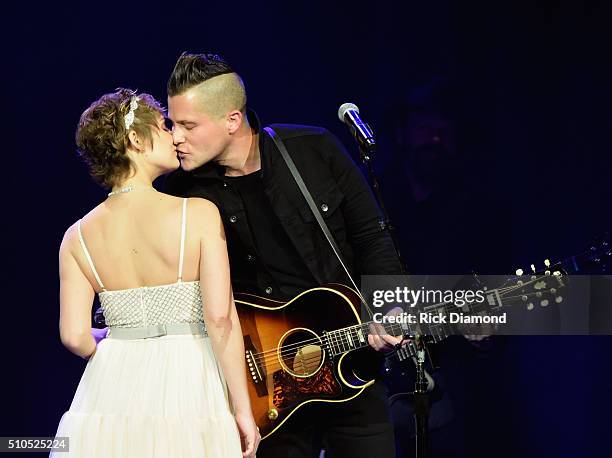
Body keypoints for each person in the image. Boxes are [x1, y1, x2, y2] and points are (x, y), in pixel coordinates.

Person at [163, 52, 404, 458]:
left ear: (232, 120)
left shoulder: (313, 149)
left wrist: (389, 306)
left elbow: (371, 238)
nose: (175, 136)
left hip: (347, 365)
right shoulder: (181, 191)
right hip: (259, 391)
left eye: (187, 125)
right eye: (172, 124)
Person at [52, 88, 259, 457]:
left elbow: (74, 336)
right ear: (135, 139)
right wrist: (244, 409)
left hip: (112, 389)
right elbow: (220, 318)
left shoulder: (76, 237)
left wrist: (114, 339)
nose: (174, 136)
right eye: (164, 126)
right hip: (190, 380)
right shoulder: (197, 214)